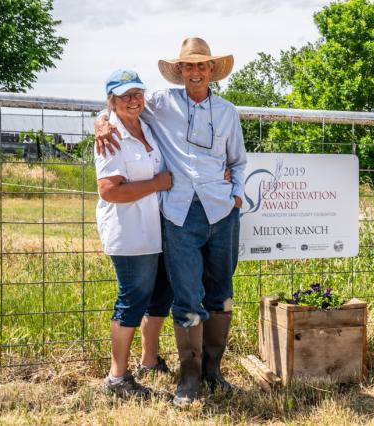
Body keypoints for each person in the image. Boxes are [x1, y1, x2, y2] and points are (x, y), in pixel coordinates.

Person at [95, 38, 247, 407]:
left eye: (202, 66)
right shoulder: (160, 103)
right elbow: (118, 111)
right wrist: (99, 123)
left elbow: (239, 161)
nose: (195, 72)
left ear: (212, 70)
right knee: (186, 295)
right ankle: (189, 378)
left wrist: (237, 196)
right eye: (188, 66)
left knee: (221, 291)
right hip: (179, 215)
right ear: (179, 72)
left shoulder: (228, 112)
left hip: (221, 212)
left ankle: (213, 371)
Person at [95, 69, 174, 398]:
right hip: (130, 233)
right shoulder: (111, 136)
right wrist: (156, 184)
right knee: (132, 300)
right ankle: (117, 377)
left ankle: (149, 360)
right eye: (124, 95)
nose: (133, 99)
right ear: (111, 100)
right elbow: (109, 191)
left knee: (161, 294)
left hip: (156, 228)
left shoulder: (147, 125)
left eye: (137, 92)